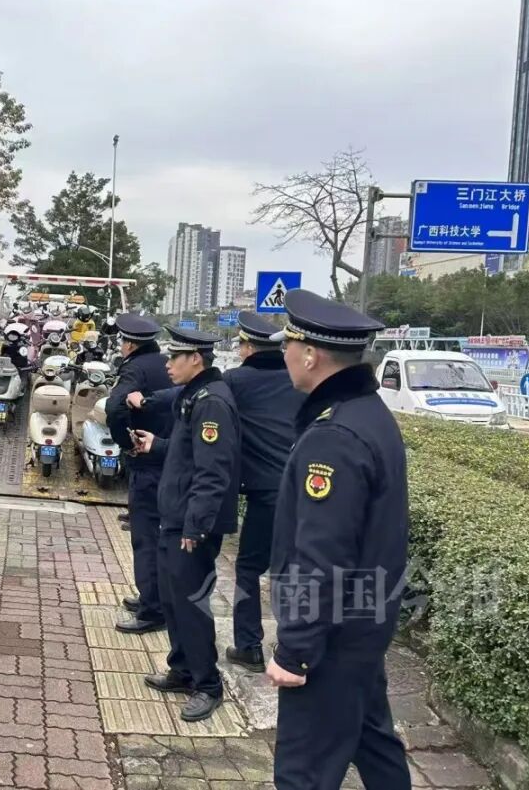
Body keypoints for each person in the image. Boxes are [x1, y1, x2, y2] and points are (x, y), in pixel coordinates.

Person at [266, 289, 410, 790]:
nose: (284, 355)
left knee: (303, 772)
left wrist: (296, 650)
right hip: (363, 624)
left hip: (333, 638)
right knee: (374, 743)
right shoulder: (367, 412)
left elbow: (322, 555)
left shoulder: (334, 436)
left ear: (310, 354)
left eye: (288, 345)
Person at [132, 327, 240, 723]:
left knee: (191, 604)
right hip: (175, 516)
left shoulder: (212, 402)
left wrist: (196, 526)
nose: (168, 364)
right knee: (173, 599)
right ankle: (182, 668)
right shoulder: (193, 396)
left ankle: (208, 684)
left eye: (175, 357)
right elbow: (186, 453)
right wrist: (156, 446)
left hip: (191, 525)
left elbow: (213, 472)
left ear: (196, 359)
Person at [223, 311, 302, 673]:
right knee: (289, 571)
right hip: (303, 491)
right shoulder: (296, 380)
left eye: (241, 345)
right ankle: (292, 648)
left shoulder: (236, 381)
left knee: (248, 568)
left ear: (248, 348)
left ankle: (249, 646)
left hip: (266, 494)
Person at [105, 314, 173, 635]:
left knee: (145, 537)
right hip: (170, 456)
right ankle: (154, 596)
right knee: (162, 535)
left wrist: (125, 442)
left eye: (123, 342)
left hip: (146, 462)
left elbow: (114, 407)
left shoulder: (134, 369)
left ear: (130, 344)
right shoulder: (166, 363)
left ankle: (152, 611)